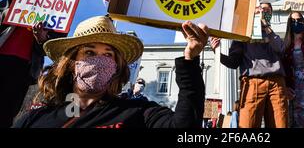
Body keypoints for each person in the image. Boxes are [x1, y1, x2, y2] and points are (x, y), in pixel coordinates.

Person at [13, 16, 208, 128]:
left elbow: (184, 128)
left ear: (116, 66)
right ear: (72, 62)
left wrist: (190, 61)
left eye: (108, 55)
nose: (100, 60)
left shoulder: (137, 111)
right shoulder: (35, 118)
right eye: (89, 52)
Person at [0, 0, 66, 128]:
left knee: (7, 111)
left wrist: (42, 38)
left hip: (25, 67)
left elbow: (54, 45)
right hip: (2, 56)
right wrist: (10, 12)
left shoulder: (59, 7)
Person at [210, 2, 289, 128]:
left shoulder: (273, 35)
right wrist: (217, 52)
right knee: (248, 124)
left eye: (267, 11)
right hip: (253, 82)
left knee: (280, 123)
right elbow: (233, 62)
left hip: (276, 83)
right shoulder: (243, 36)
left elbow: (280, 49)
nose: (263, 12)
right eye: (260, 10)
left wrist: (266, 27)